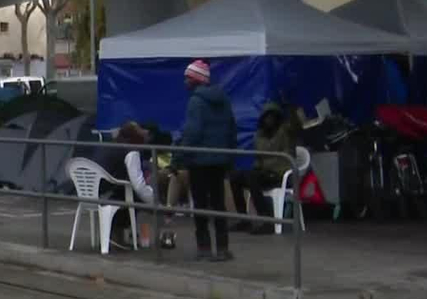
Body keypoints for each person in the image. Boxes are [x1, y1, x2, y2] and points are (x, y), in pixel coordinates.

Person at [178, 59, 237, 261]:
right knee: (219, 204)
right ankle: (222, 248)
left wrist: (179, 156)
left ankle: (204, 247)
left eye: (188, 78)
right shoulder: (224, 99)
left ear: (196, 80)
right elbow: (231, 129)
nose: (185, 82)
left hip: (199, 162)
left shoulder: (196, 102)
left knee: (201, 205)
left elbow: (193, 132)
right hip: (219, 161)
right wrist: (229, 156)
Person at [232, 101, 299, 234]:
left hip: (280, 174)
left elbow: (296, 126)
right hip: (264, 172)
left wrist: (291, 107)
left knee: (252, 178)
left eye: (272, 116)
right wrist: (258, 166)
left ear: (277, 117)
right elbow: (259, 158)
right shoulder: (259, 135)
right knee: (235, 177)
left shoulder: (285, 131)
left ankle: (267, 220)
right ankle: (244, 219)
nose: (269, 120)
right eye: (267, 117)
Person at [103, 122, 164, 249]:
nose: (144, 132)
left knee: (130, 192)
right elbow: (138, 185)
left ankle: (116, 235)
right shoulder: (131, 152)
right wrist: (154, 201)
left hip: (91, 191)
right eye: (140, 130)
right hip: (110, 193)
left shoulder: (111, 146)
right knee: (136, 196)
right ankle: (118, 234)